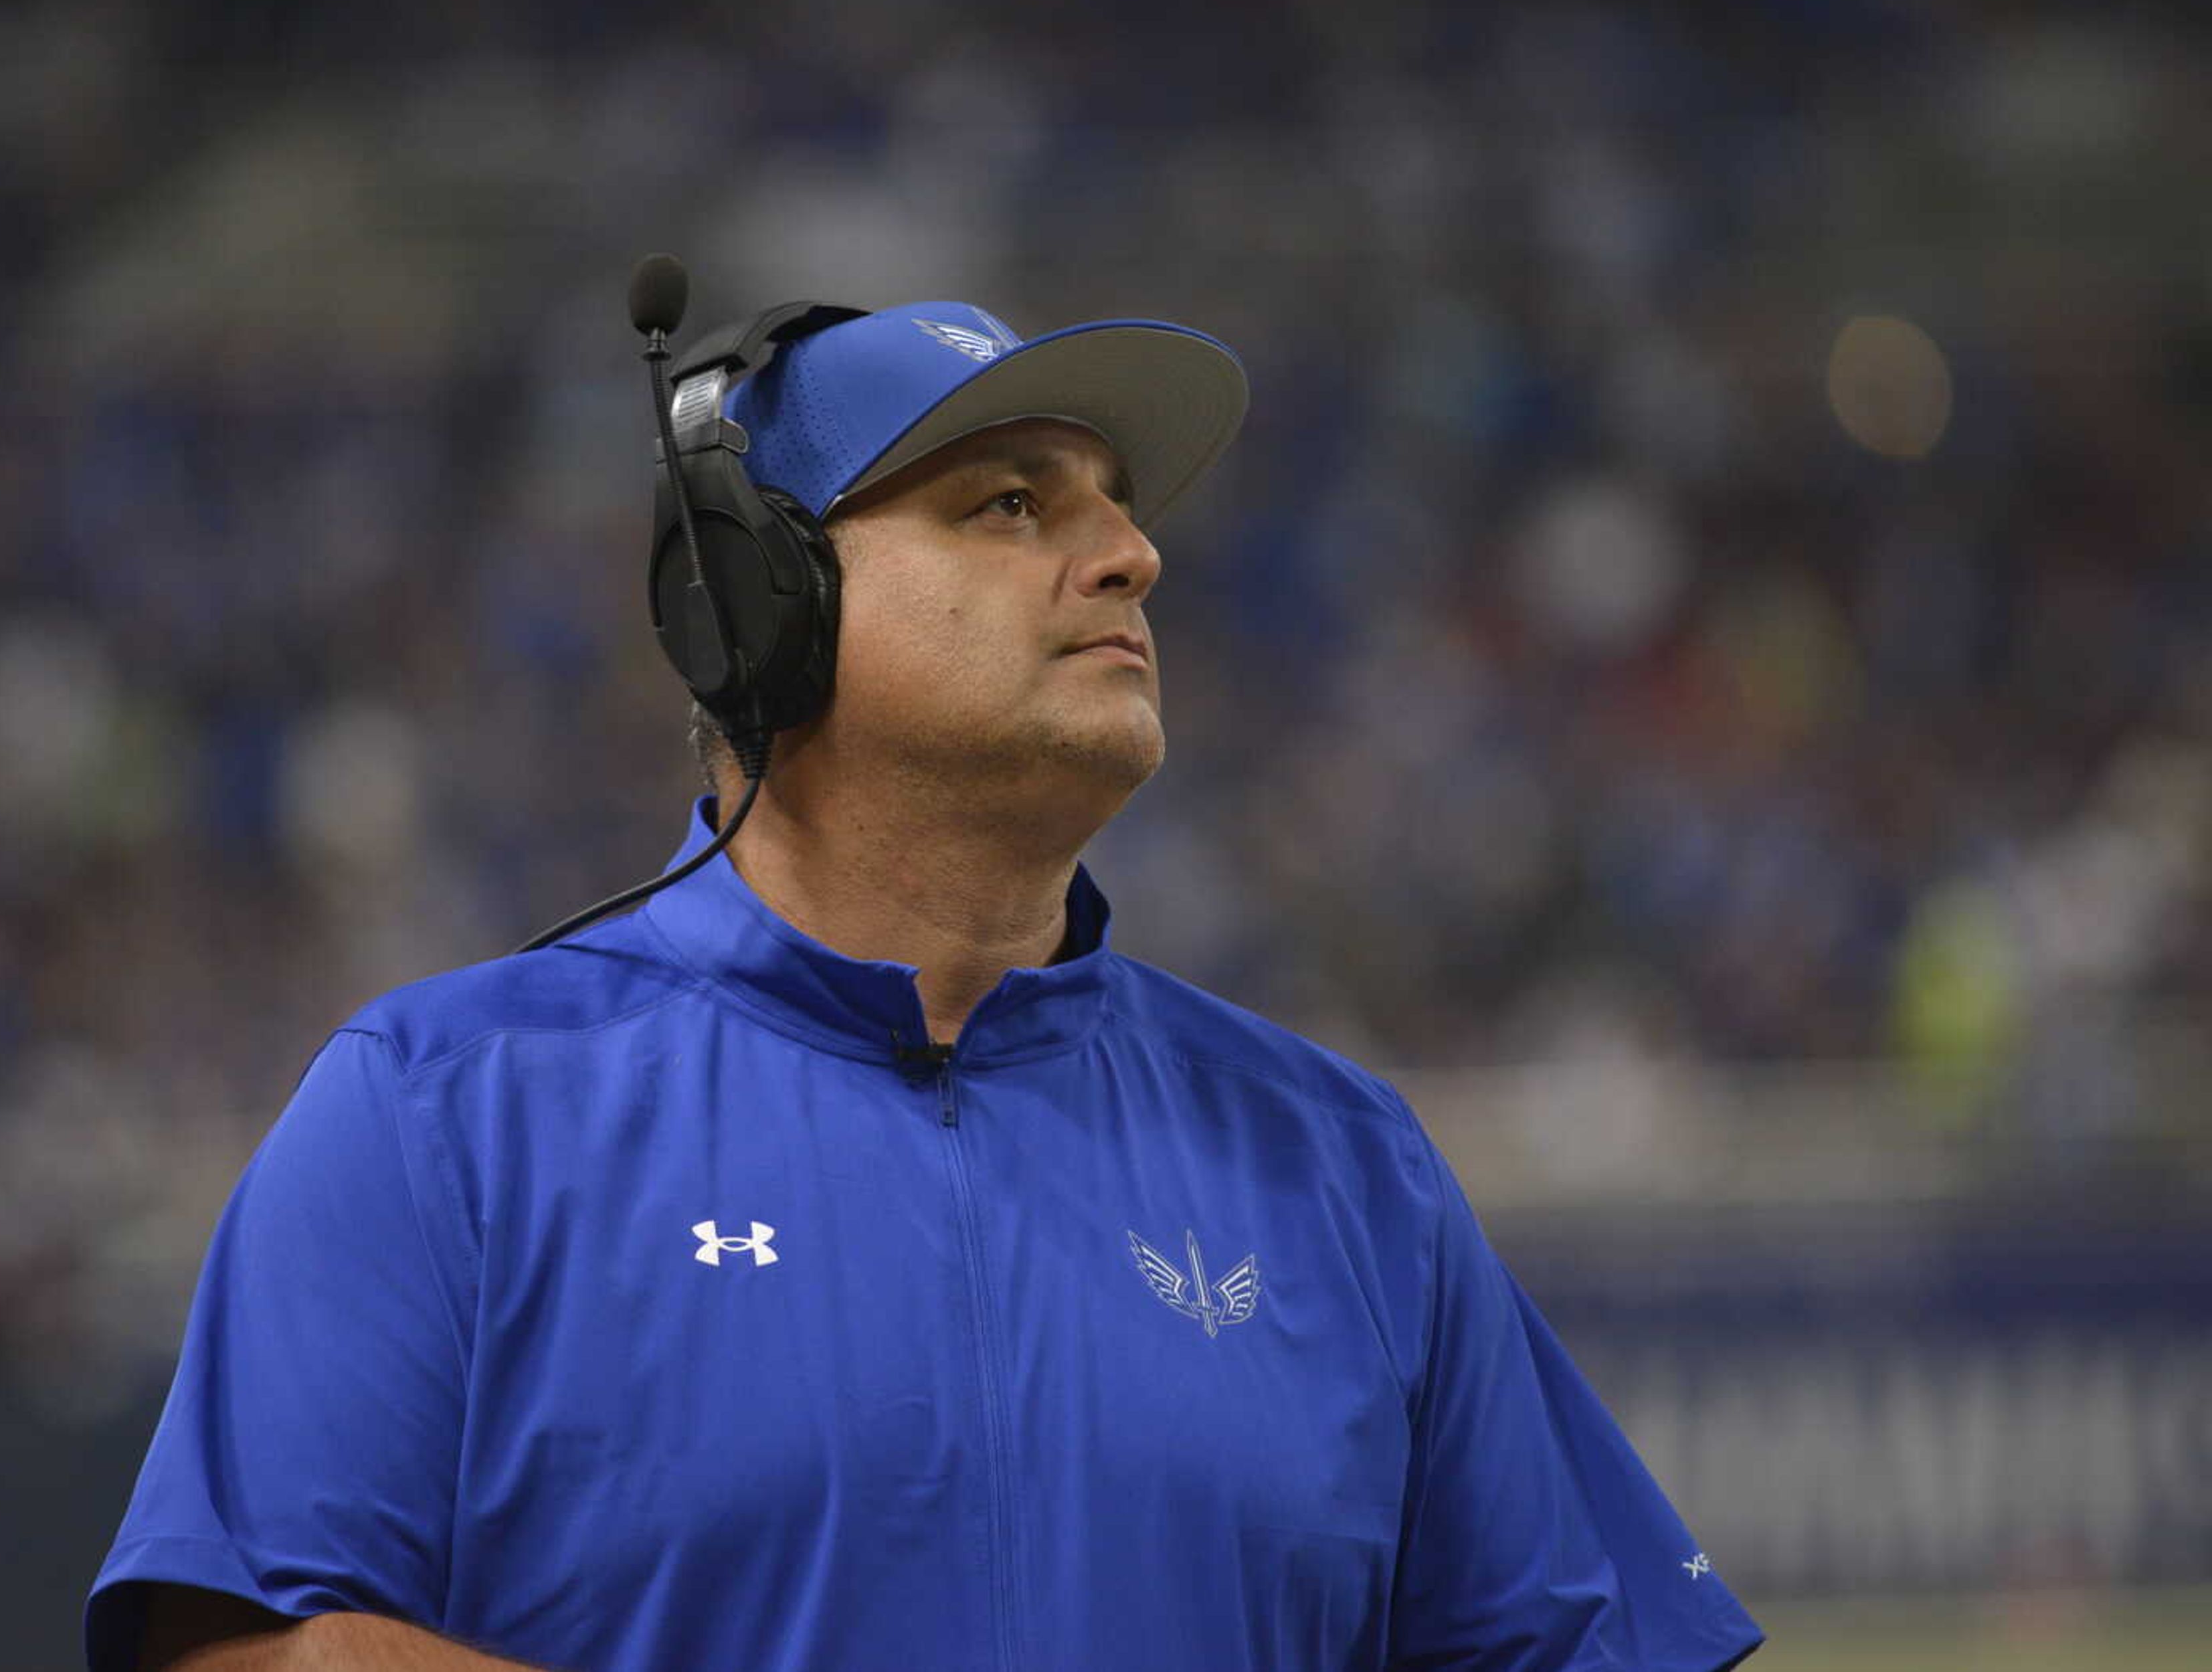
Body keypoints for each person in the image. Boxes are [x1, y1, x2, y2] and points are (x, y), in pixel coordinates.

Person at [86, 289, 1766, 1672]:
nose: (1130, 557)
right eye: (1012, 502)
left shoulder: (1344, 1164)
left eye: (1119, 507)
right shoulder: (447, 1113)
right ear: (761, 603)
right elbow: (240, 1653)